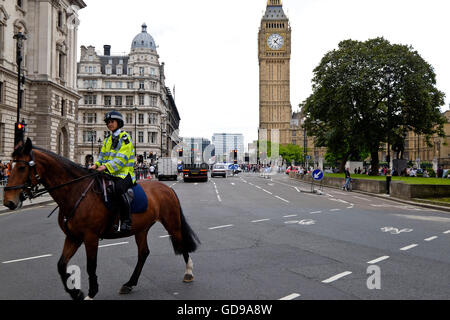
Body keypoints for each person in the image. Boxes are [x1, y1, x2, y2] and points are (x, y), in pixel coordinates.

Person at [89, 111, 136, 232]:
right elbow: (103, 156)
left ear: (118, 123)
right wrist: (96, 165)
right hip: (110, 172)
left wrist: (105, 167)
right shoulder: (107, 139)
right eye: (108, 122)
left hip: (124, 173)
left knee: (118, 189)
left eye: (112, 122)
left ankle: (126, 220)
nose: (110, 124)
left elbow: (122, 158)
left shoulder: (125, 137)